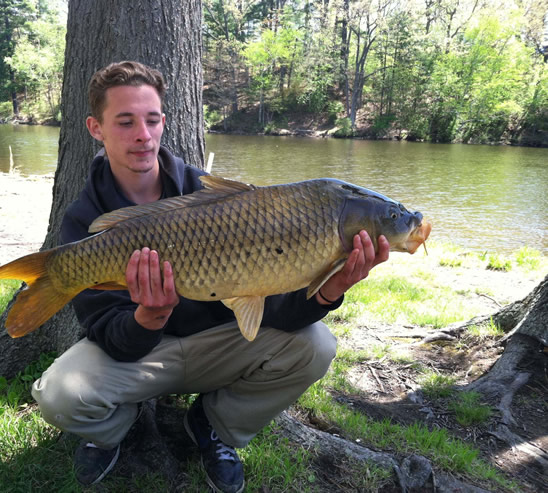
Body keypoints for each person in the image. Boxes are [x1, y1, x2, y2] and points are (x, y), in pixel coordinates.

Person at [31, 61, 390, 493]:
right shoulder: (86, 220)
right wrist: (150, 315)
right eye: (125, 122)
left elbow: (275, 307)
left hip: (220, 346)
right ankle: (117, 429)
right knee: (58, 395)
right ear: (96, 127)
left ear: (163, 122)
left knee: (316, 345)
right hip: (142, 355)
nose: (142, 135)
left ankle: (213, 425)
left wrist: (331, 289)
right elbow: (107, 334)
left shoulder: (213, 198)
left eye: (151, 119)